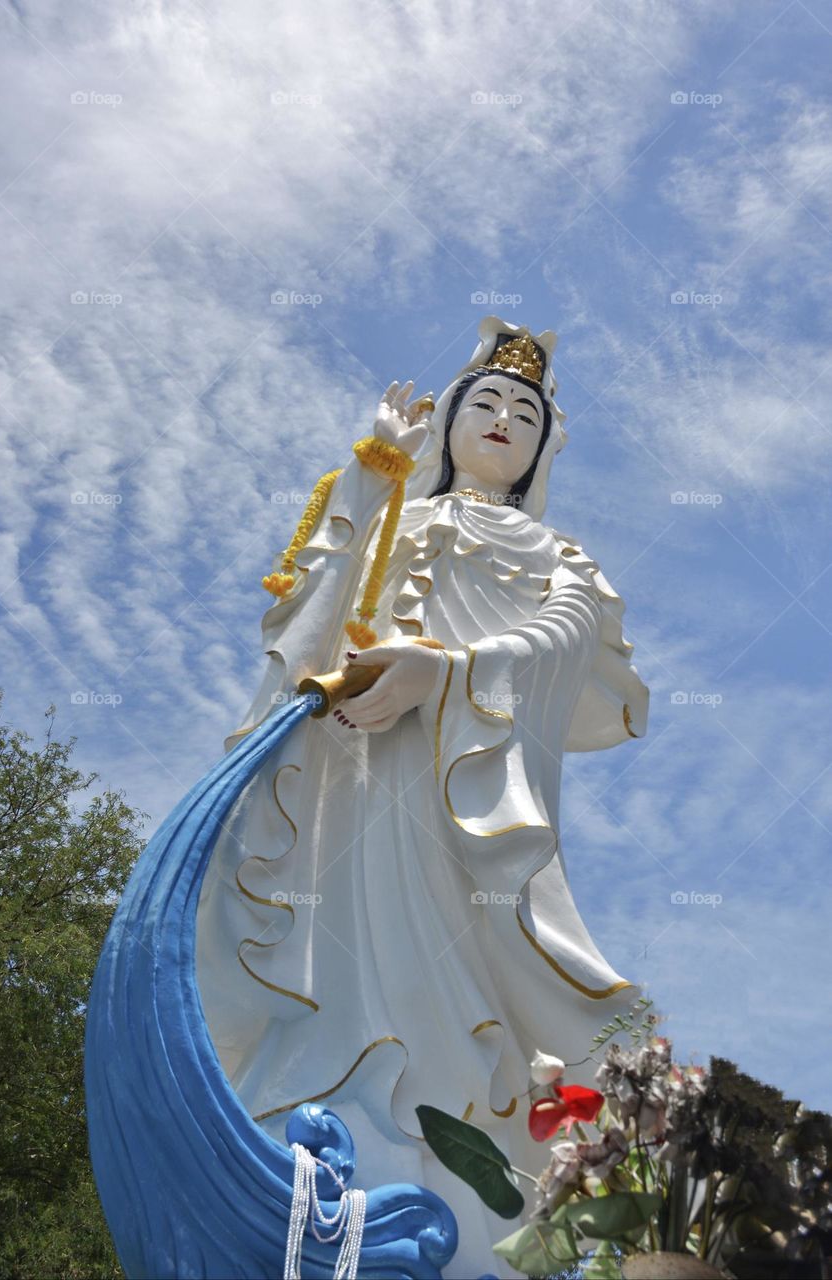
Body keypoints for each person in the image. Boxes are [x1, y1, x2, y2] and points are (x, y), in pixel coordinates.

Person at [196, 317, 649, 1278]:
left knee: (465, 990)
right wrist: (370, 477)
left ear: (540, 446)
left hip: (470, 797)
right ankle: (305, 1156)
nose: (500, 419)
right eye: (481, 401)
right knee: (336, 962)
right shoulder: (404, 510)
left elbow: (566, 647)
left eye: (524, 412)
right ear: (443, 422)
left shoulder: (553, 554)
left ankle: (458, 1207)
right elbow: (313, 610)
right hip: (353, 780)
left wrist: (444, 675)